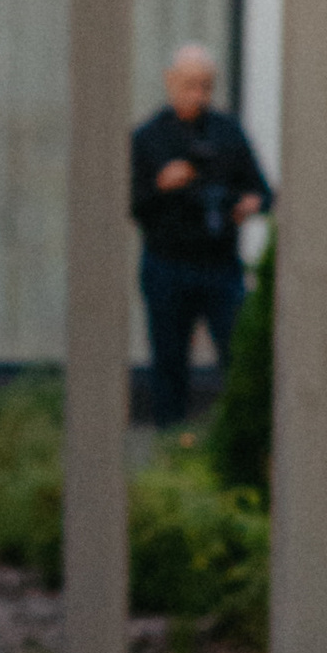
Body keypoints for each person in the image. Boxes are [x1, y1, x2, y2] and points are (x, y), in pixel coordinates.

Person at [130, 42, 273, 429]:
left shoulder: (227, 133)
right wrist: (163, 184)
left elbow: (262, 191)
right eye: (190, 85)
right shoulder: (149, 138)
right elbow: (132, 205)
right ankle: (170, 439)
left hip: (219, 265)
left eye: (206, 86)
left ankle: (240, 437)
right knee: (169, 360)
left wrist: (249, 204)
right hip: (167, 263)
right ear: (170, 82)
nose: (198, 95)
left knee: (238, 355)